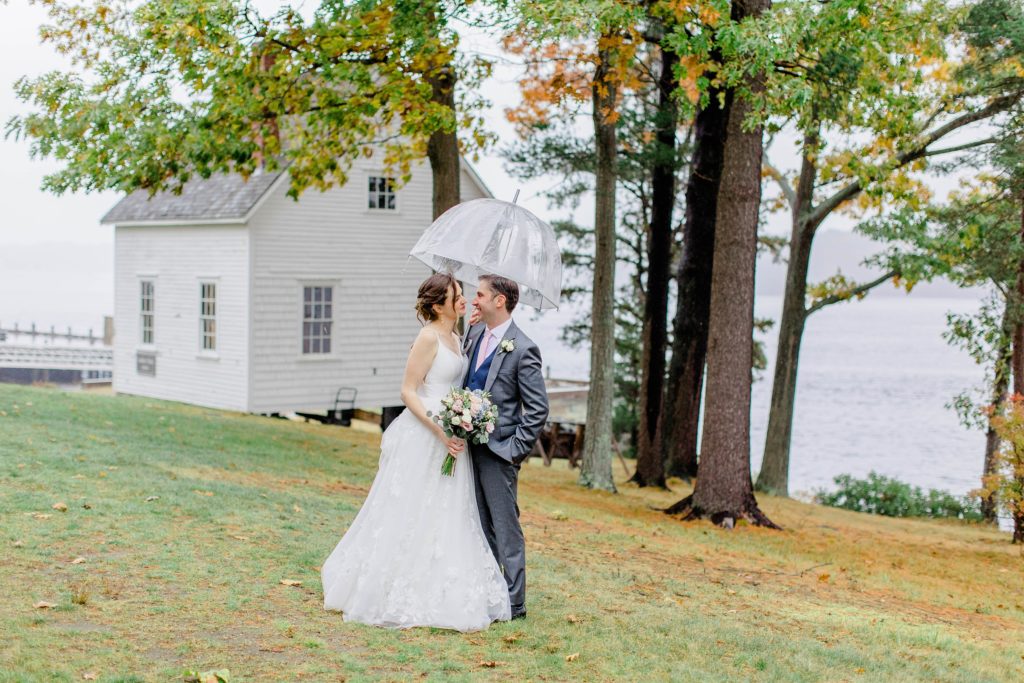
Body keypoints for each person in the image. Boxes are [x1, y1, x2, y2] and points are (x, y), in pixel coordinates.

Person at [321, 273, 511, 632]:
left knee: (447, 512)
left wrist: (461, 421)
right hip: (427, 434)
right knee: (409, 510)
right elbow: (408, 391)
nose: (463, 300)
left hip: (453, 436)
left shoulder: (456, 337)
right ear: (438, 304)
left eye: (463, 294)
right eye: (456, 296)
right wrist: (440, 429)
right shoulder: (427, 338)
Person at [463, 274, 549, 621]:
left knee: (505, 527)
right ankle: (488, 592)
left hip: (499, 453)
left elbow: (538, 408)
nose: (474, 301)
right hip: (467, 447)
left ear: (500, 301)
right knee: (478, 524)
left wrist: (514, 450)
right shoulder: (474, 333)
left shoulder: (523, 347)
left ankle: (515, 603)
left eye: (480, 295)